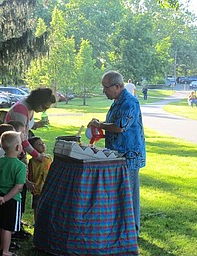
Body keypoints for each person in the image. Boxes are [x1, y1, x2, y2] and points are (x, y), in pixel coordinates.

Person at [87, 70, 146, 236]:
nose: (104, 91)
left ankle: (133, 231)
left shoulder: (130, 102)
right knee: (118, 192)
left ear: (117, 86)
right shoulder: (117, 101)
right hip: (116, 154)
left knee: (130, 193)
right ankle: (120, 227)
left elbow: (120, 126)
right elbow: (112, 125)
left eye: (106, 87)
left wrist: (100, 125)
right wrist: (99, 128)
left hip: (129, 156)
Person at [0, 131, 27, 256]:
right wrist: (5, 198)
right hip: (12, 200)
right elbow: (18, 186)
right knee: (8, 227)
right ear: (18, 147)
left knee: (0, 222)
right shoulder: (20, 166)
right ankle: (5, 251)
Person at [5, 87, 56, 162]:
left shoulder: (29, 107)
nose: (44, 110)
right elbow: (21, 138)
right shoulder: (21, 109)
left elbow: (26, 125)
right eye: (44, 107)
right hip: (11, 152)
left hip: (18, 149)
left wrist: (37, 124)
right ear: (38, 101)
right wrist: (38, 156)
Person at [27, 136, 52, 223]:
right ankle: (37, 223)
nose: (42, 145)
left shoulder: (49, 158)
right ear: (32, 148)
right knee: (37, 207)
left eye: (43, 143)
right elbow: (29, 174)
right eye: (39, 144)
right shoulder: (32, 162)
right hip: (37, 189)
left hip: (48, 188)